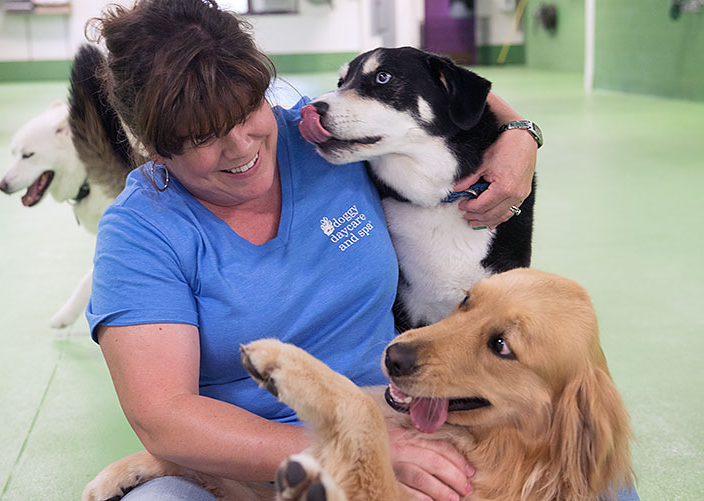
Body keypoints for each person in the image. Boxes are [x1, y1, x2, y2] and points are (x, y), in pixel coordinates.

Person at [85, 1, 632, 500]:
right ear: (156, 149)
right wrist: (358, 447)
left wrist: (518, 131)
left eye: (247, 110)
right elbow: (165, 418)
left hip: (405, 407)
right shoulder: (139, 236)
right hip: (249, 455)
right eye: (204, 137)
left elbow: (427, 83)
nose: (243, 146)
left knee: (603, 480)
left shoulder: (317, 138)